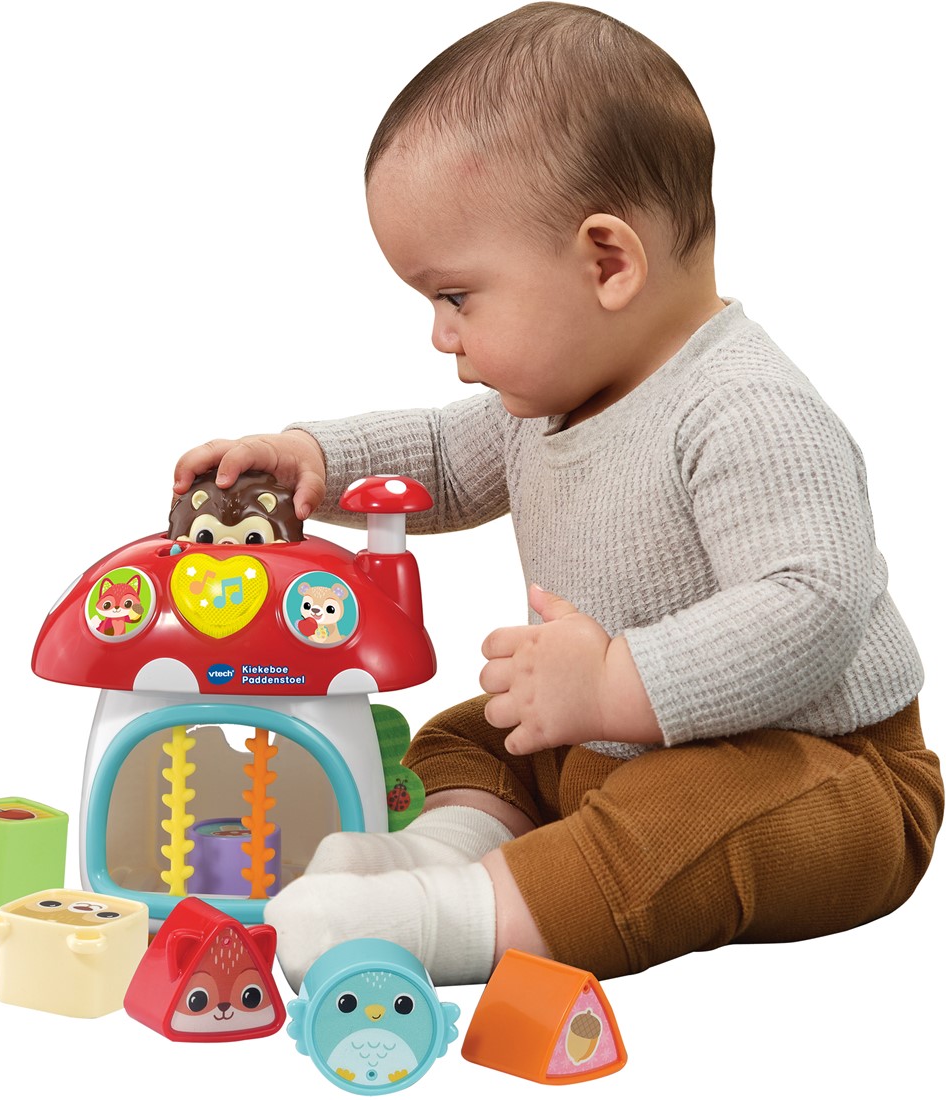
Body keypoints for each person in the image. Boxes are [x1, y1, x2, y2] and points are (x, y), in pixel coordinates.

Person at [173, 2, 943, 990]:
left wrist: (617, 683)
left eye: (455, 296)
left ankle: (455, 917)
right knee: (472, 733)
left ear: (607, 262)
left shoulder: (746, 408)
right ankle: (447, 851)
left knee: (680, 818)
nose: (441, 335)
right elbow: (440, 457)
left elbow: (813, 604)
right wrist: (309, 456)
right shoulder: (551, 400)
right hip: (607, 743)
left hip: (819, 771)